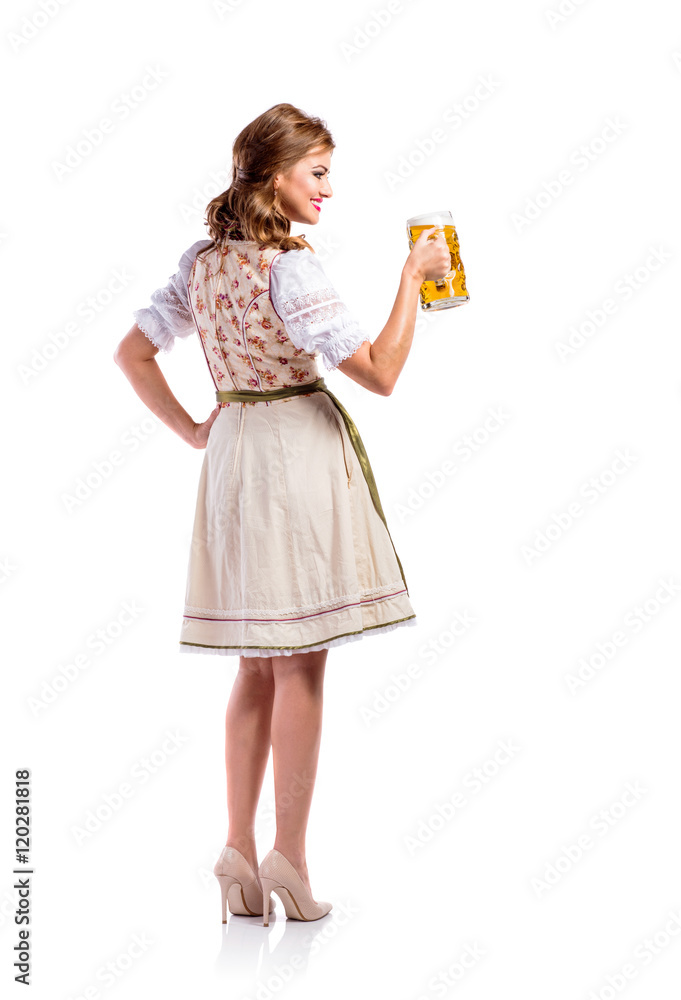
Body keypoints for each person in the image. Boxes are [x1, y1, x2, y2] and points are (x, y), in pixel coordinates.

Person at [113, 102, 450, 927]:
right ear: (275, 176)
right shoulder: (287, 267)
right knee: (300, 661)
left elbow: (132, 353)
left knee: (256, 664)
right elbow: (377, 372)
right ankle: (289, 863)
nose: (328, 188)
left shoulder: (203, 262)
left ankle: (236, 853)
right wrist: (411, 279)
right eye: (318, 173)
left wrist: (198, 426)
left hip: (234, 454)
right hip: (292, 458)